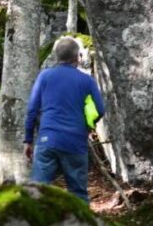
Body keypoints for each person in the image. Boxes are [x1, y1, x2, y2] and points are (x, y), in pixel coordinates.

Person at [24, 37, 106, 203]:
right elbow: (100, 109)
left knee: (37, 191)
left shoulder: (44, 76)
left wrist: (28, 140)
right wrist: (87, 124)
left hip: (48, 140)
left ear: (56, 57)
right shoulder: (87, 81)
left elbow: (32, 110)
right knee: (78, 194)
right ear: (78, 57)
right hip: (75, 142)